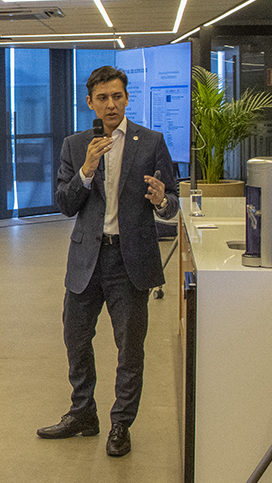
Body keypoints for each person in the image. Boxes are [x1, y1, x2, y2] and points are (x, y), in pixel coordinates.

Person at [37, 65, 179, 458]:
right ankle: (83, 413)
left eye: (117, 96)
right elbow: (65, 205)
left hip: (130, 260)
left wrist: (161, 200)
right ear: (90, 103)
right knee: (76, 339)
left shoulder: (150, 142)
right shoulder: (75, 144)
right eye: (102, 98)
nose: (111, 104)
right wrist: (86, 170)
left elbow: (172, 204)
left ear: (127, 98)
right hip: (86, 258)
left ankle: (121, 424)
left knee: (129, 347)